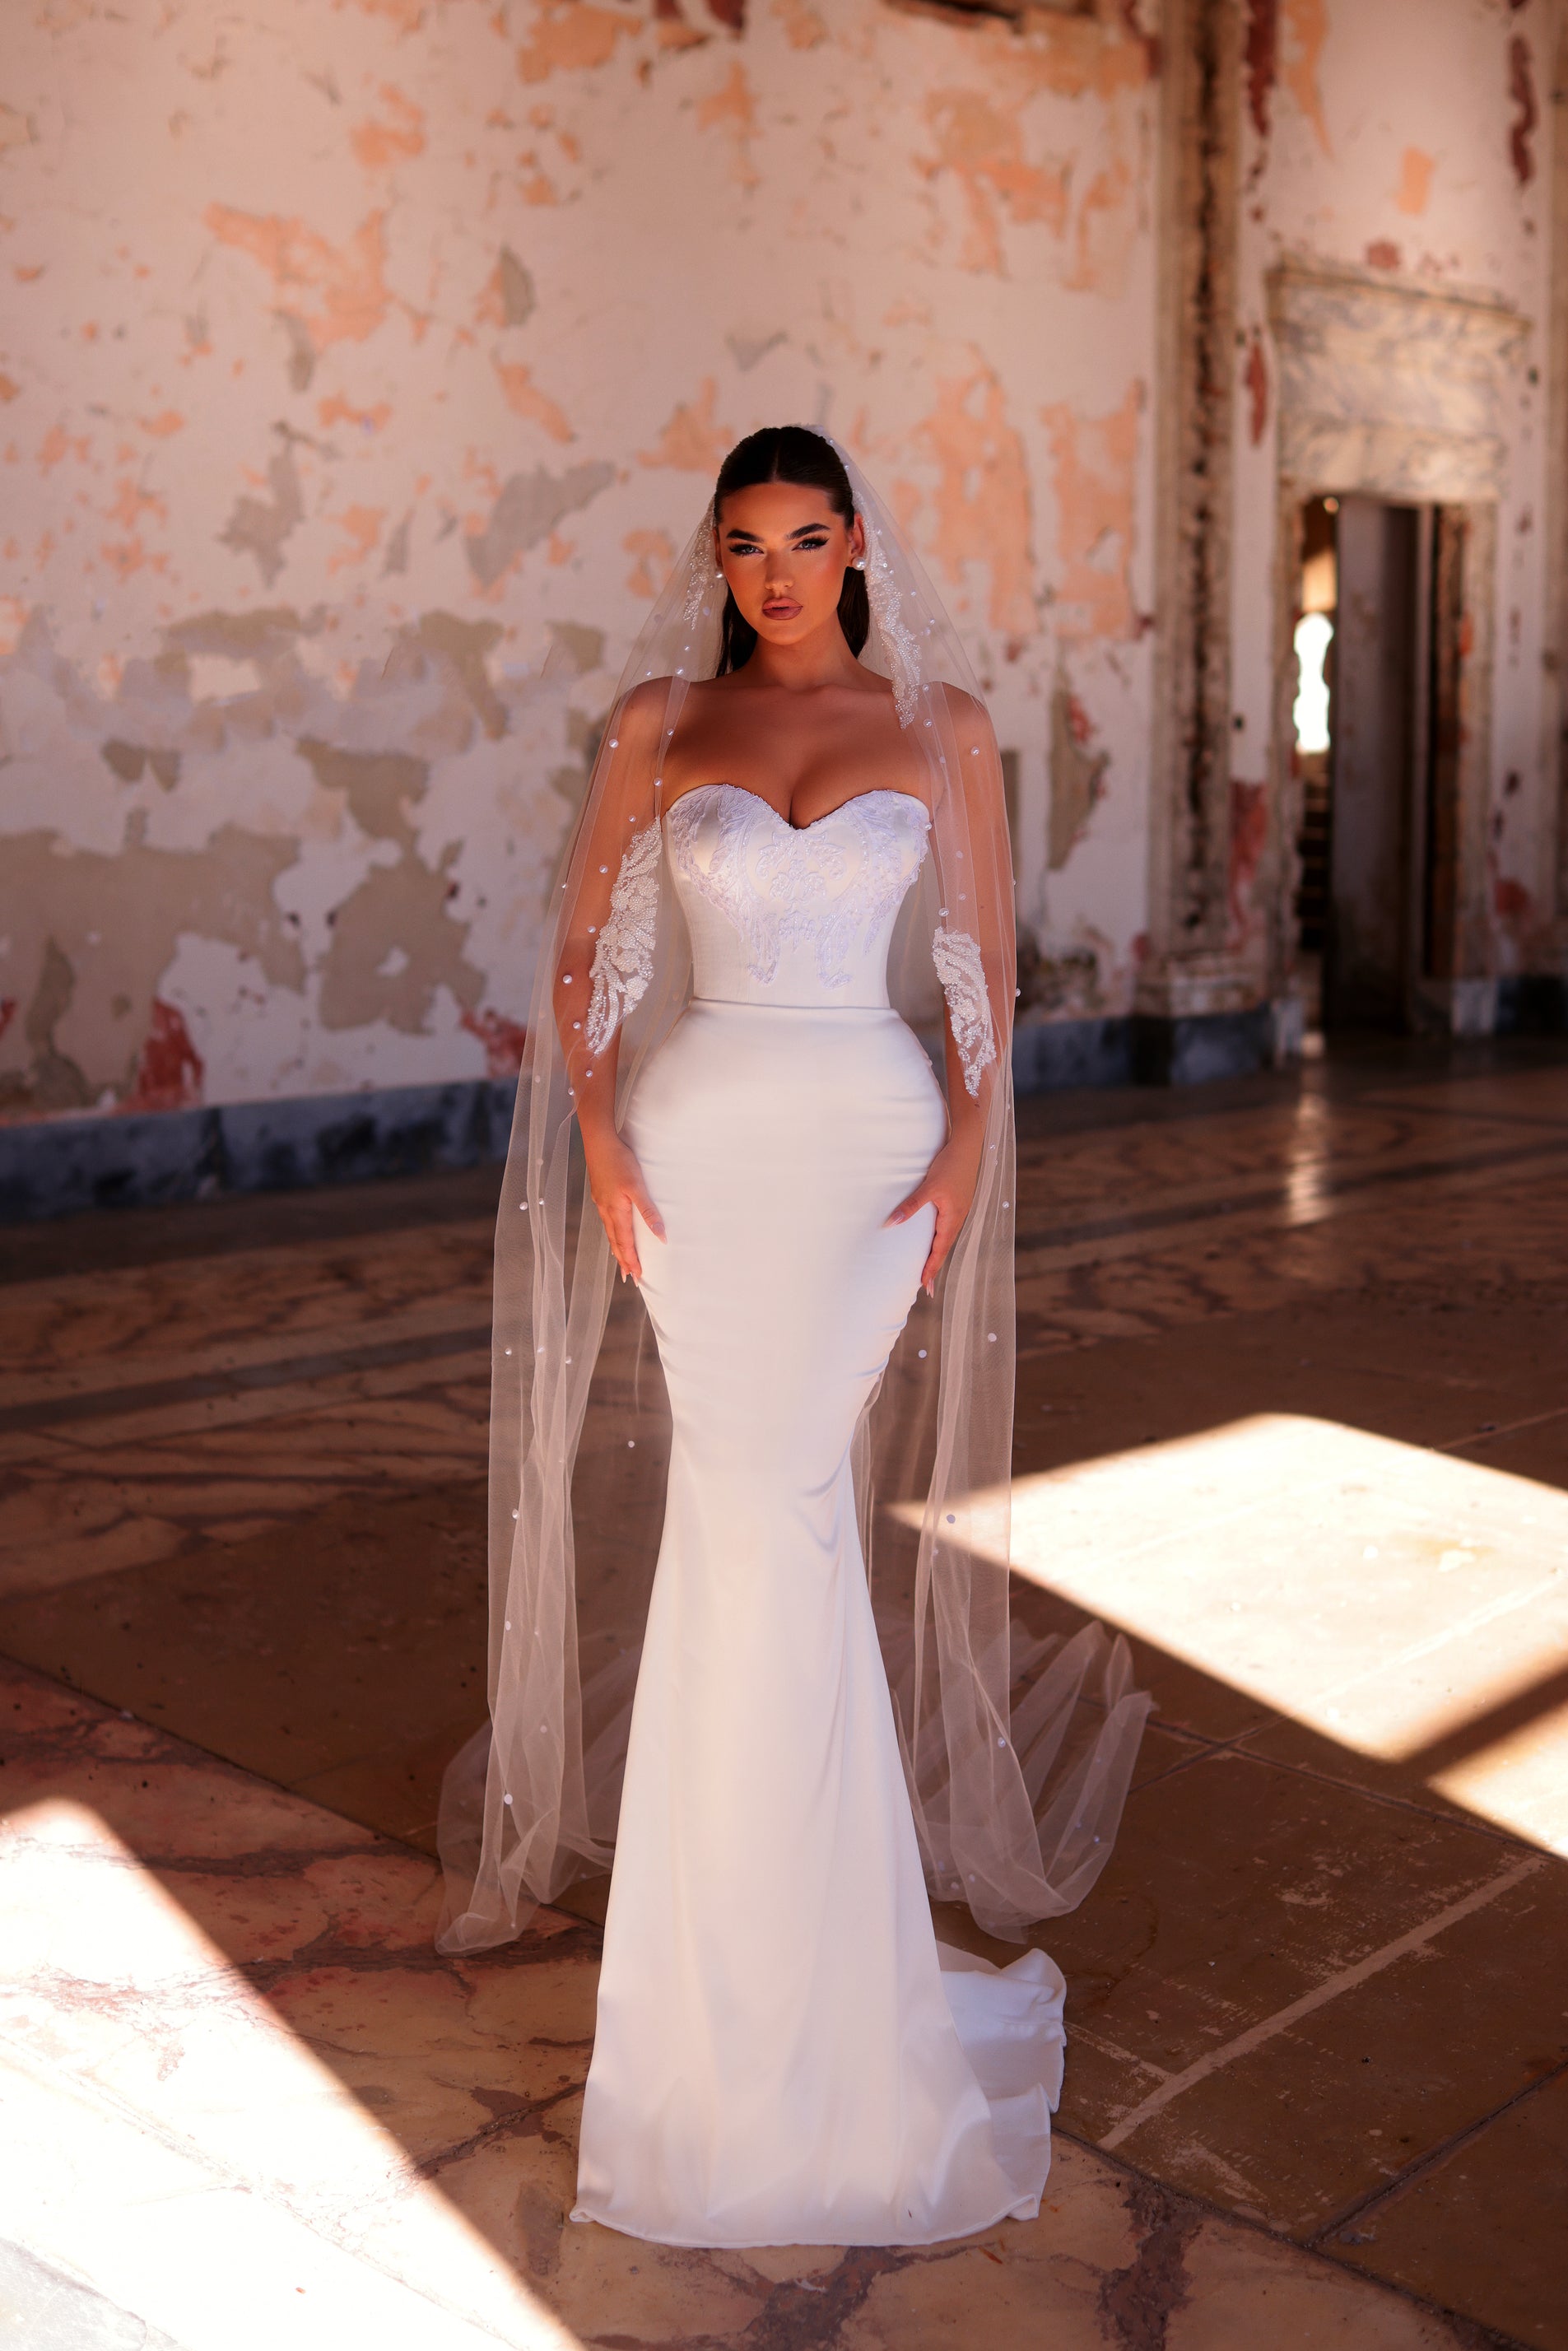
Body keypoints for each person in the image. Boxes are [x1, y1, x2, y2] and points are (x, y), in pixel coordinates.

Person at [435, 426, 1150, 2249]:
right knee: (743, 1518)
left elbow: (984, 972)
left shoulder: (948, 729)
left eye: (804, 539)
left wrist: (962, 1166)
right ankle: (714, 2023)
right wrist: (598, 1135)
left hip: (863, 1155)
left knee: (786, 1515)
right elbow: (585, 949)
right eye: (742, 542)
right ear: (718, 556)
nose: (772, 573)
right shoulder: (657, 724)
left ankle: (827, 2013)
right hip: (688, 1153)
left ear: (851, 550)